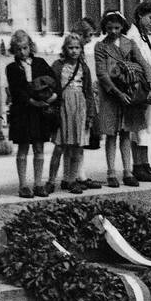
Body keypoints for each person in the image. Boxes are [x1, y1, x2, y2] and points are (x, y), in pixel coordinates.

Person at [95, 10, 151, 188]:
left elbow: (143, 62)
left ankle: (128, 171)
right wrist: (117, 92)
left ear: (123, 26)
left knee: (126, 133)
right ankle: (111, 172)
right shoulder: (101, 46)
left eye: (117, 27)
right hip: (112, 95)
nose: (113, 31)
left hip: (130, 92)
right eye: (110, 27)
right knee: (111, 134)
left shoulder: (129, 43)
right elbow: (102, 72)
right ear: (105, 27)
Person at [48, 18, 102, 192]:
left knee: (77, 148)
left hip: (79, 109)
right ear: (65, 49)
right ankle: (51, 180)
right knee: (59, 147)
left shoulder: (83, 68)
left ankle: (71, 180)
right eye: (70, 48)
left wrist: (91, 115)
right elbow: (51, 84)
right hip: (63, 108)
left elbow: (87, 92)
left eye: (77, 48)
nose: (74, 51)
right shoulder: (58, 66)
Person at [6, 29, 54, 198]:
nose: (22, 52)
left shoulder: (40, 63)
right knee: (23, 147)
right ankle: (23, 184)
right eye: (18, 49)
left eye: (25, 48)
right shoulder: (12, 68)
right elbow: (16, 90)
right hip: (23, 111)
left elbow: (51, 80)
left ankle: (39, 182)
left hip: (39, 112)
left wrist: (50, 97)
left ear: (30, 47)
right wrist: (32, 101)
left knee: (39, 146)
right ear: (14, 50)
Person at [125, 1, 151, 181]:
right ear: (140, 16)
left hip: (150, 88)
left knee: (147, 128)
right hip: (139, 88)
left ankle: (145, 164)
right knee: (138, 127)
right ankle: (137, 165)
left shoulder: (144, 37)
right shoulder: (132, 36)